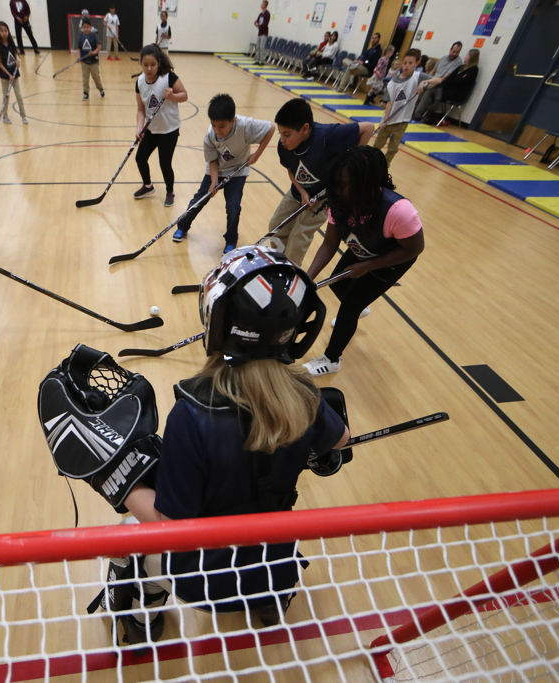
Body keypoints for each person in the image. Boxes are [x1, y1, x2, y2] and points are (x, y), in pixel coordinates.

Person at [119, 246, 351, 639]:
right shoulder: (304, 394)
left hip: (206, 582)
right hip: (273, 563)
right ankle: (270, 604)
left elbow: (170, 528)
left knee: (128, 534)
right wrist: (315, 447)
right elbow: (341, 439)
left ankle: (141, 622)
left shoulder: (190, 415)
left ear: (218, 318)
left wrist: (120, 480)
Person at [301, 146, 425, 376]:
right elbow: (329, 244)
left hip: (391, 258)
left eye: (343, 185)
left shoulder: (399, 211)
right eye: (335, 183)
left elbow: (415, 248)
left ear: (364, 183)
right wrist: (307, 278)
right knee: (338, 285)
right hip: (363, 247)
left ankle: (331, 359)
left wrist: (368, 266)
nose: (336, 190)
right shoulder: (339, 201)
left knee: (350, 306)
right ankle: (359, 305)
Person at [269, 97, 374, 267]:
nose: (282, 140)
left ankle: (290, 275)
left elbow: (368, 128)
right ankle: (278, 263)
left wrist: (353, 162)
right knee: (275, 226)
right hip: (298, 192)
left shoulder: (328, 136)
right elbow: (290, 170)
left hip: (323, 198)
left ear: (305, 128)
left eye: (287, 135)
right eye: (281, 134)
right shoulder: (284, 146)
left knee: (300, 235)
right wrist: (302, 192)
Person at [172, 93, 274, 253]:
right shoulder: (210, 135)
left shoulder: (246, 126)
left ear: (232, 121)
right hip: (216, 170)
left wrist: (257, 154)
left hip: (238, 172)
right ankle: (182, 226)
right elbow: (212, 161)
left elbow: (271, 128)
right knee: (199, 200)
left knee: (233, 208)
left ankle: (231, 240)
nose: (217, 130)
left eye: (221, 126)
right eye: (213, 125)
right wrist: (213, 182)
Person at [133, 44, 187, 207]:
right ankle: (148, 186)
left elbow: (184, 95)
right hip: (151, 129)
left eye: (153, 65)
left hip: (169, 130)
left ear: (159, 63)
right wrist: (139, 128)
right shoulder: (140, 82)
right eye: (145, 65)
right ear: (141, 64)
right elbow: (141, 109)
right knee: (140, 158)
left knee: (165, 163)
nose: (149, 68)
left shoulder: (168, 77)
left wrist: (172, 96)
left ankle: (170, 192)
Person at [374, 49, 432, 165]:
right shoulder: (392, 83)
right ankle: (370, 164)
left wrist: (423, 83)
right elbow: (389, 103)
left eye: (410, 63)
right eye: (405, 63)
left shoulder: (418, 76)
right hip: (388, 121)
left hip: (403, 121)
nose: (407, 66)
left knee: (393, 149)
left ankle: (384, 168)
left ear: (417, 63)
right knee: (377, 146)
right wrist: (385, 120)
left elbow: (437, 80)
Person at [413, 48, 479, 123]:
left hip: (458, 93)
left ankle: (425, 115)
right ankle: (421, 113)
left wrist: (454, 79)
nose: (465, 56)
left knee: (432, 91)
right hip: (448, 88)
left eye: (467, 55)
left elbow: (461, 82)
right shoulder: (461, 67)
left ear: (472, 57)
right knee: (428, 89)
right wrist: (455, 79)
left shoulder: (474, 69)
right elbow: (450, 78)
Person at [0, 22, 26, 124]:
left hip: (14, 73)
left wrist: (17, 62)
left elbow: (14, 57)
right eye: (1, 31)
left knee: (19, 96)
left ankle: (23, 116)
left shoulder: (11, 43)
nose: (4, 33)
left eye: (5, 30)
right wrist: (8, 75)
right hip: (5, 75)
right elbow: (0, 64)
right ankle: (5, 117)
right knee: (6, 96)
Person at [78, 18, 104, 102]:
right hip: (84, 62)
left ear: (90, 27)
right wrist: (79, 57)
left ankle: (100, 89)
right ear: (82, 27)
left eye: (87, 27)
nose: (86, 29)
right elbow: (79, 48)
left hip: (94, 62)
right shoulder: (81, 36)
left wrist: (93, 52)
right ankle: (86, 93)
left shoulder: (94, 36)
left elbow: (99, 47)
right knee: (85, 79)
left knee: (96, 77)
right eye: (84, 27)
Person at [254, 1, 270, 65]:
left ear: (265, 5)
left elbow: (265, 24)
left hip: (264, 33)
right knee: (258, 46)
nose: (261, 5)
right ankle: (257, 60)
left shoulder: (267, 14)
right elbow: (257, 21)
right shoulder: (260, 14)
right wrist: (255, 23)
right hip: (259, 32)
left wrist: (259, 25)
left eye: (262, 4)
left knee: (262, 47)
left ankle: (262, 61)